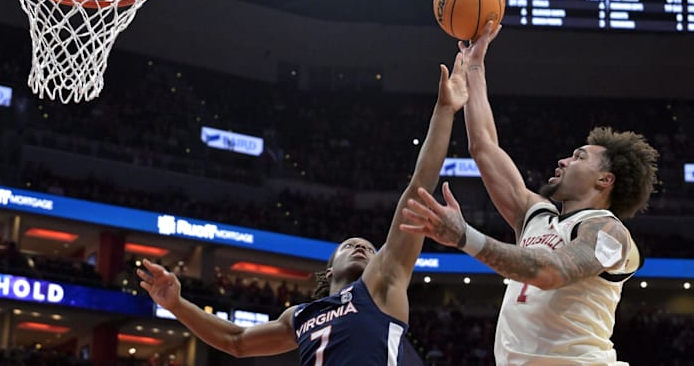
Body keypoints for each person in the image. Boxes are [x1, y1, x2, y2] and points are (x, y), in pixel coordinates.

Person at [136, 52, 471, 365]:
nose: (361, 246)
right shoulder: (300, 316)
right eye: (350, 245)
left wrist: (444, 110)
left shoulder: (382, 283)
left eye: (369, 248)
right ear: (327, 272)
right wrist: (177, 304)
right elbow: (236, 340)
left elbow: (418, 187)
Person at [399, 21, 659, 365]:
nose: (564, 160)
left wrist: (465, 237)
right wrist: (475, 67)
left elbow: (550, 272)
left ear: (605, 180)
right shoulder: (535, 214)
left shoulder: (608, 231)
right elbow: (484, 147)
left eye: (579, 157)